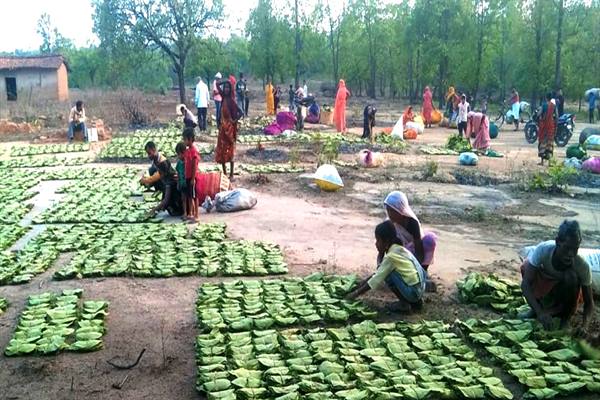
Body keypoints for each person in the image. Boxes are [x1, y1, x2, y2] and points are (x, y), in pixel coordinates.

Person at [520, 220, 594, 332]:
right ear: (557, 242)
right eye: (567, 248)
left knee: (571, 277)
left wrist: (585, 326)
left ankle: (565, 318)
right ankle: (535, 309)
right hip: (546, 287)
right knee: (526, 266)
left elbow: (589, 303)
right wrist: (539, 312)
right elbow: (525, 284)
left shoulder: (582, 265)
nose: (570, 254)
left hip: (564, 294)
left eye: (575, 249)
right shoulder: (543, 250)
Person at [346, 220, 426, 312]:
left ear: (386, 241)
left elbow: (376, 278)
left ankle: (404, 304)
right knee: (386, 271)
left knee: (388, 274)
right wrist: (359, 285)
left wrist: (355, 294)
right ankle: (416, 302)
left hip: (413, 292)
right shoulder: (399, 249)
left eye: (378, 240)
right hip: (420, 289)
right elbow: (379, 272)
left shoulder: (390, 257)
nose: (376, 243)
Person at [384, 191, 437, 273]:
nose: (390, 214)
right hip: (399, 255)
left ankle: (423, 272)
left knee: (429, 240)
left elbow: (419, 249)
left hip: (412, 254)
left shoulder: (412, 223)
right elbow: (387, 249)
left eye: (393, 211)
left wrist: (419, 270)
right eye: (388, 210)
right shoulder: (389, 225)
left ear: (401, 209)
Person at [144, 142, 183, 217]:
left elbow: (166, 200)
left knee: (168, 204)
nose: (148, 156)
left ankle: (178, 209)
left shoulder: (164, 166)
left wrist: (154, 210)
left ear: (154, 149)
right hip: (168, 185)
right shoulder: (158, 160)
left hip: (175, 189)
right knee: (152, 171)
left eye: (149, 153)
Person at [216, 80, 242, 180]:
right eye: (225, 87)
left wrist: (234, 121)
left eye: (228, 87)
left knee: (230, 151)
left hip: (229, 130)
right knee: (222, 150)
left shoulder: (231, 101)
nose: (226, 89)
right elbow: (217, 84)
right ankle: (224, 174)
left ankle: (231, 175)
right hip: (222, 129)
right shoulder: (223, 97)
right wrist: (226, 81)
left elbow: (241, 112)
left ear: (230, 89)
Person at [182, 127, 200, 222]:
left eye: (185, 139)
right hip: (188, 177)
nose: (184, 141)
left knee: (194, 196)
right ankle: (191, 213)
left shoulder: (193, 151)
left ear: (190, 139)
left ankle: (196, 215)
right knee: (189, 196)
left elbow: (194, 166)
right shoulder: (188, 150)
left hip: (192, 177)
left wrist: (193, 179)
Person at [538, 92, 557, 165]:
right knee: (550, 144)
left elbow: (539, 113)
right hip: (551, 126)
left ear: (546, 98)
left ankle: (542, 162)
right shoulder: (553, 106)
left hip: (544, 126)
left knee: (543, 143)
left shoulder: (544, 105)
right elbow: (557, 116)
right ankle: (550, 163)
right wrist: (556, 126)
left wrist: (538, 116)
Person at [175, 142, 188, 219]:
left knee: (190, 198)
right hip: (182, 183)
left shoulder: (188, 162)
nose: (178, 156)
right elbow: (178, 172)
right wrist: (178, 182)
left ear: (184, 152)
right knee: (183, 199)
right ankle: (185, 212)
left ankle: (191, 212)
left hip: (187, 183)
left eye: (179, 154)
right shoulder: (179, 163)